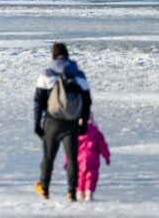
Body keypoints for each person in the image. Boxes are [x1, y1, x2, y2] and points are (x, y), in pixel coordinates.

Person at [34, 42, 92, 202]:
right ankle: (71, 192)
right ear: (67, 55)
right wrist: (84, 124)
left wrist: (37, 124)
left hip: (52, 121)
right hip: (72, 121)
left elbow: (39, 102)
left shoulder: (47, 74)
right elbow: (87, 102)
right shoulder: (79, 75)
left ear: (53, 56)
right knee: (72, 158)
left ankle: (44, 189)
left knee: (48, 156)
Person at [66, 116, 110, 201]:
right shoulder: (97, 133)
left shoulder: (75, 133)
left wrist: (67, 162)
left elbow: (69, 149)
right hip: (92, 158)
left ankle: (80, 192)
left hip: (79, 159)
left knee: (80, 176)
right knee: (91, 176)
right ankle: (89, 192)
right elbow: (103, 146)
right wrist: (106, 156)